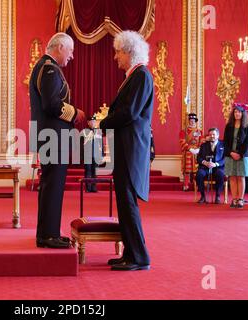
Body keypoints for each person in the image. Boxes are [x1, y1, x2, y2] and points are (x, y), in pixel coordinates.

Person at [92, 30, 152, 271]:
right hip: (126, 148)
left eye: (118, 52)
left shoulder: (140, 76)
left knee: (127, 203)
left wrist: (102, 123)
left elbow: (129, 113)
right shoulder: (135, 76)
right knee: (124, 203)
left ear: (129, 52)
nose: (115, 57)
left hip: (131, 149)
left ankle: (139, 257)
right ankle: (130, 252)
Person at [29, 32, 86, 249]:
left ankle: (48, 232)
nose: (71, 56)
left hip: (49, 136)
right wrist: (75, 113)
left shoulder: (45, 66)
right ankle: (47, 236)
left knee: (51, 184)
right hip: (52, 137)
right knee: (53, 185)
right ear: (60, 47)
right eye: (70, 51)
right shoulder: (50, 68)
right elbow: (51, 105)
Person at [223, 103, 248, 209]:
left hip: (242, 155)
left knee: (241, 176)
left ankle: (240, 199)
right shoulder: (229, 125)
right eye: (235, 112)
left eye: (239, 112)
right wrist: (231, 152)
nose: (237, 114)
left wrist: (239, 154)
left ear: (243, 113)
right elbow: (225, 141)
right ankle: (234, 198)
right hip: (230, 154)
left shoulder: (247, 125)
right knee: (232, 176)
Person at [195, 128, 225, 204]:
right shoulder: (203, 145)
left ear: (218, 135)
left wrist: (216, 164)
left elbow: (225, 159)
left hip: (217, 167)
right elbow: (198, 158)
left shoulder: (223, 145)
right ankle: (202, 196)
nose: (212, 136)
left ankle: (217, 196)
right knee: (199, 174)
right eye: (210, 134)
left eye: (214, 134)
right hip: (205, 167)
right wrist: (205, 162)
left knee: (220, 174)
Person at [179, 113, 205, 191]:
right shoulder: (183, 131)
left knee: (196, 170)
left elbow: (202, 141)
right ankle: (186, 185)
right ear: (188, 121)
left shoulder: (199, 131)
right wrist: (190, 149)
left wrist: (199, 149)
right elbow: (182, 141)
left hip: (197, 153)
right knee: (187, 170)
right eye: (190, 120)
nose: (192, 122)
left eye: (193, 120)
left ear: (195, 121)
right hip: (188, 152)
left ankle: (196, 185)